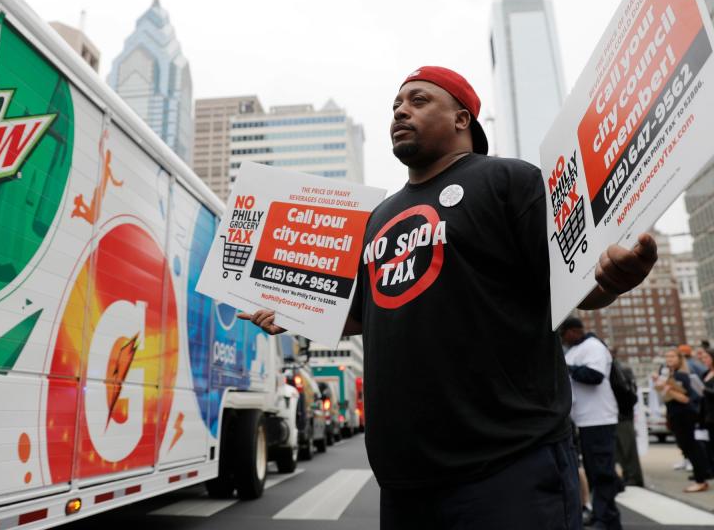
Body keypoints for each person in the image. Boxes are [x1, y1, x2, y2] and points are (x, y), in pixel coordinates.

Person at [240, 66, 657, 530]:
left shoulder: (509, 180)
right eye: (396, 104)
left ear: (462, 119)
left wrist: (615, 279)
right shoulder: (378, 217)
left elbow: (572, 280)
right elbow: (361, 314)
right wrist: (293, 311)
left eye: (418, 101)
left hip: (508, 464)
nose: (401, 111)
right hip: (404, 480)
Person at [560, 318, 621, 530]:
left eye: (563, 333)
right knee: (595, 471)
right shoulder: (574, 350)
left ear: (574, 331)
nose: (562, 338)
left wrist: (566, 367)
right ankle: (606, 517)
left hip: (599, 418)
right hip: (585, 420)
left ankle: (604, 519)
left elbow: (595, 376)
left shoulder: (593, 346)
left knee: (602, 471)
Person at [654, 348, 710, 492]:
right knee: (685, 447)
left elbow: (685, 399)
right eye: (667, 357)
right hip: (674, 414)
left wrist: (668, 389)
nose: (669, 359)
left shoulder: (682, 376)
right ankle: (701, 476)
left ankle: (701, 479)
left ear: (679, 358)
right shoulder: (667, 374)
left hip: (686, 415)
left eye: (672, 356)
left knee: (691, 447)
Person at [609, 351, 644, 488]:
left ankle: (633, 477)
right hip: (620, 414)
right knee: (622, 449)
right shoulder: (618, 369)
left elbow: (627, 393)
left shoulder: (619, 370)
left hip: (622, 414)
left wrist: (623, 410)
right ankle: (629, 475)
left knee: (627, 448)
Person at [697, 347, 714, 471]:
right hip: (706, 413)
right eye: (702, 358)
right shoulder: (704, 373)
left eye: (706, 357)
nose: (704, 360)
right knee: (709, 443)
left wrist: (705, 390)